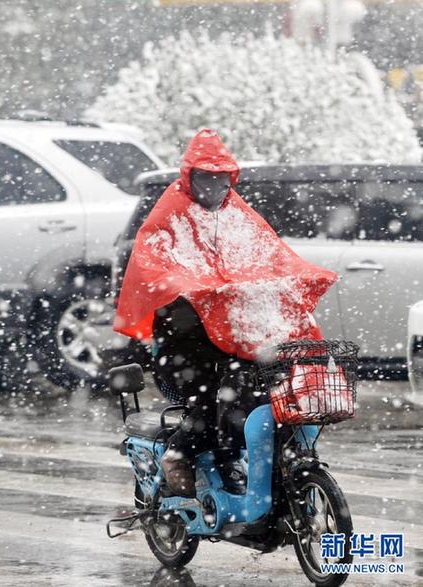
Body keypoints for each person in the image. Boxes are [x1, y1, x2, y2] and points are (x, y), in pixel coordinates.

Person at [114, 129, 337, 497]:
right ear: (189, 177)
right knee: (214, 406)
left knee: (263, 401)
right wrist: (191, 290)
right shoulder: (170, 214)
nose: (214, 187)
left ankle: (251, 474)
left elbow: (270, 255)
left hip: (235, 339)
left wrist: (294, 280)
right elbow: (153, 268)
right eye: (205, 178)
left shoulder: (238, 214)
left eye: (221, 179)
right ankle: (178, 454)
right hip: (186, 345)